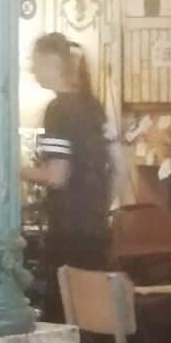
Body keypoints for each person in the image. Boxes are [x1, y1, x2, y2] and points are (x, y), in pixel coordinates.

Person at [23, 33, 111, 321]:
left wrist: (12, 169)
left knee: (61, 317)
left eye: (34, 62)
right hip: (96, 227)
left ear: (52, 62)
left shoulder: (58, 110)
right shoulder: (93, 106)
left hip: (68, 230)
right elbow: (117, 166)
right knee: (92, 317)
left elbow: (56, 176)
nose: (32, 69)